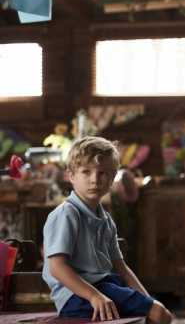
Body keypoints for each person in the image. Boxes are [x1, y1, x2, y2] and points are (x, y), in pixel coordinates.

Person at [42, 136, 173, 323]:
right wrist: (94, 296)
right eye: (86, 172)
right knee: (159, 314)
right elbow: (56, 267)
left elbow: (121, 269)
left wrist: (148, 300)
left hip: (106, 286)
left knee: (159, 313)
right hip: (76, 296)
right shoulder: (67, 214)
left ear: (112, 178)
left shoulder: (106, 219)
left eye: (102, 173)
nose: (95, 180)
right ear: (71, 176)